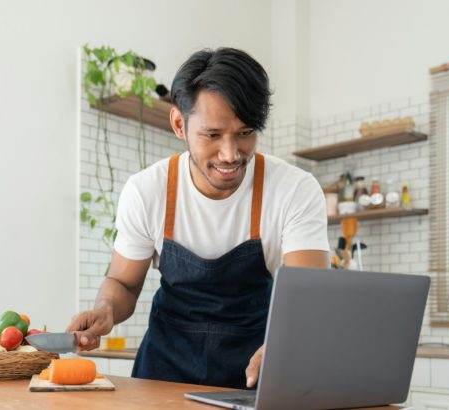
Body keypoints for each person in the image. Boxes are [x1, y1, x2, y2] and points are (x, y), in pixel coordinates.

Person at [67, 47, 329, 389]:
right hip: (162, 376)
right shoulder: (148, 190)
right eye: (213, 135)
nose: (231, 154)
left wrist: (284, 349)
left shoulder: (294, 190)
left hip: (253, 378)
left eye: (245, 133)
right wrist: (106, 309)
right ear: (180, 124)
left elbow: (310, 300)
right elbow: (124, 284)